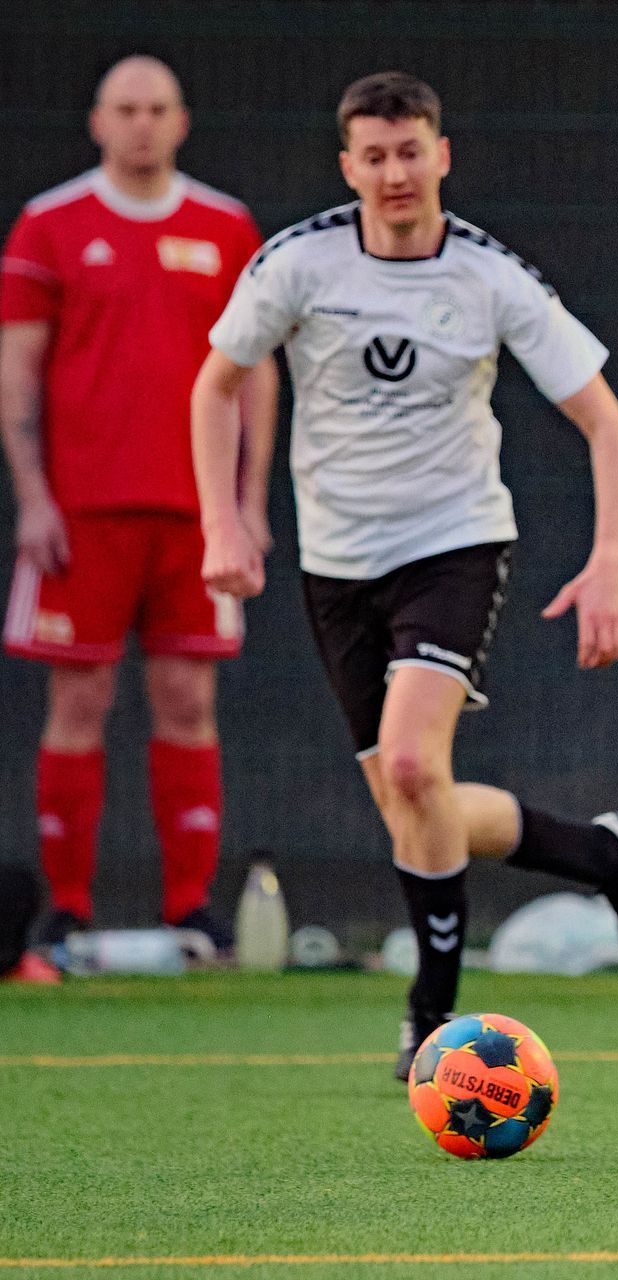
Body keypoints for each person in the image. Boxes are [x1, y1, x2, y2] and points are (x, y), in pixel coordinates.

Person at [189, 72, 618, 1079]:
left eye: (411, 151)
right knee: (416, 799)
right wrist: (223, 522)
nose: (394, 172)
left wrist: (610, 563)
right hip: (335, 563)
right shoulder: (299, 262)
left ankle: (431, 1021)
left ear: (441, 155)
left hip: (453, 544)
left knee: (412, 768)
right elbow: (215, 385)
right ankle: (604, 853)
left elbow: (608, 427)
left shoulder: (490, 276)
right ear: (348, 166)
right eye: (374, 156)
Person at [1, 56, 273, 952]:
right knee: (79, 696)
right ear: (98, 121)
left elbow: (257, 374)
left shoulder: (227, 226)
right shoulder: (49, 224)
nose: (142, 124)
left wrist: (248, 500)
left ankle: (189, 905)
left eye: (158, 108)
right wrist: (33, 497)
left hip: (196, 515)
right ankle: (67, 908)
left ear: (182, 121)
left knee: (188, 696)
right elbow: (17, 372)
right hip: (83, 511)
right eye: (126, 108)